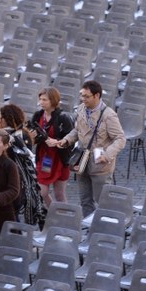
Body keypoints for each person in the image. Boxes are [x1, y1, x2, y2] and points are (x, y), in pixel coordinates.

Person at [52, 81, 126, 217]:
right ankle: (89, 225)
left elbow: (120, 139)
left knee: (102, 200)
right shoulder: (81, 109)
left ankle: (106, 225)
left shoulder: (108, 115)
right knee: (85, 200)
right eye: (82, 95)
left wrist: (107, 154)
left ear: (97, 96)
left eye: (86, 96)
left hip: (100, 162)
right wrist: (67, 140)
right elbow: (77, 130)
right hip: (82, 161)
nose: (83, 99)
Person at [28, 87, 74, 208]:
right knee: (42, 191)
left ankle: (63, 217)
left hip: (60, 159)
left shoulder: (63, 117)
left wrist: (57, 142)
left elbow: (71, 140)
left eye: (45, 100)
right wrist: (32, 137)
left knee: (60, 194)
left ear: (53, 101)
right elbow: (34, 139)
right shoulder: (38, 115)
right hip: (45, 159)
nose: (41, 103)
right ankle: (53, 211)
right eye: (40, 99)